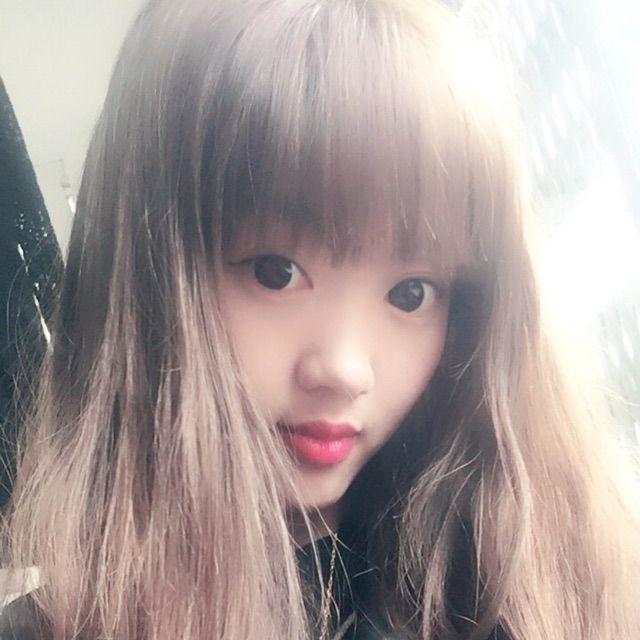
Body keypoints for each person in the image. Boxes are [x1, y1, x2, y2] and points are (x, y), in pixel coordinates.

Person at [1, 0, 639, 638]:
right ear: (146, 277)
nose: (345, 368)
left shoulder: (538, 581)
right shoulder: (60, 624)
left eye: (411, 293)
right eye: (275, 272)